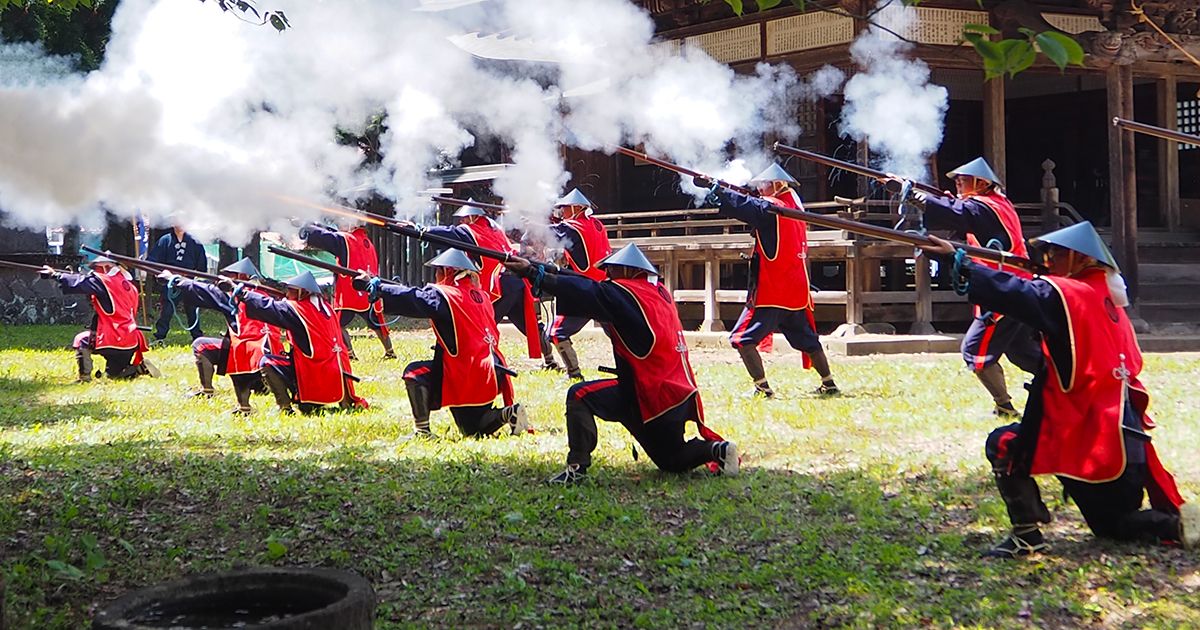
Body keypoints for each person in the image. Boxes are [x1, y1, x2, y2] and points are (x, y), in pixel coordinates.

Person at [920, 222, 1199, 557]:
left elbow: (1018, 293)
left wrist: (959, 262)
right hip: (1124, 444)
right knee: (1114, 526)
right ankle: (1176, 526)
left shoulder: (1069, 294)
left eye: (1056, 254)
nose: (1048, 260)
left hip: (1087, 438)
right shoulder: (1105, 296)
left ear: (1081, 258)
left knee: (1003, 443)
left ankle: (1026, 535)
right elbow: (1031, 292)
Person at [505, 243, 739, 484]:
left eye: (612, 270)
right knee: (671, 460)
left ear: (628, 271)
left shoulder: (623, 294)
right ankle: (717, 450)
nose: (608, 274)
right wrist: (542, 270)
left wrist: (532, 273)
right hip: (677, 395)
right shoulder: (657, 292)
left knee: (579, 395)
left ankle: (576, 469)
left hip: (646, 393)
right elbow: (588, 285)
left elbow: (586, 290)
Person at [913, 158, 1042, 417]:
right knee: (1021, 351)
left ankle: (1004, 407)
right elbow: (960, 215)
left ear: (982, 183)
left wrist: (918, 198)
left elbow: (960, 214)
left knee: (974, 350)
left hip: (1004, 291)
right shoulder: (992, 204)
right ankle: (1066, 385)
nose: (958, 184)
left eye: (964, 180)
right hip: (1010, 287)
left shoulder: (985, 207)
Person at [355, 249, 528, 438]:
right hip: (492, 369)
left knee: (414, 373)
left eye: (438, 271)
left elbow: (415, 298)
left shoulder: (447, 294)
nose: (435, 276)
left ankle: (422, 431)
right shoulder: (481, 295)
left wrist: (374, 286)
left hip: (467, 371)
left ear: (448, 271)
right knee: (473, 430)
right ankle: (509, 413)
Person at [699, 164, 838, 398]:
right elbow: (751, 204)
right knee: (807, 340)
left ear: (775, 185)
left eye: (763, 185)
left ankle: (762, 388)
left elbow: (748, 206)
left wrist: (717, 189)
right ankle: (829, 382)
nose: (759, 190)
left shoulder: (772, 207)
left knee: (741, 339)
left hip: (772, 290)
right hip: (795, 290)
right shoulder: (794, 208)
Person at [421, 201, 549, 369]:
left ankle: (484, 361)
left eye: (465, 218)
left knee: (481, 324)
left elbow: (451, 233)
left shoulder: (471, 231)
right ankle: (550, 359)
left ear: (473, 217)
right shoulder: (495, 229)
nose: (462, 221)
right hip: (516, 283)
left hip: (500, 286)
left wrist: (424, 230)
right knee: (528, 325)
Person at [158, 258, 281, 414]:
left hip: (249, 354)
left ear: (241, 276)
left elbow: (204, 290)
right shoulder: (266, 296)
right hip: (272, 359)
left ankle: (227, 399)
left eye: (231, 275)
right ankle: (261, 389)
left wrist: (174, 279)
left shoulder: (233, 296)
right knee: (232, 346)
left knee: (202, 345)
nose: (227, 278)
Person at [232, 271, 366, 414]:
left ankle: (285, 407)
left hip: (314, 374)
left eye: (291, 290)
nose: (287, 293)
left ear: (302, 292)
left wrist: (244, 295)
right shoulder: (325, 307)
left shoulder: (300, 310)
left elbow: (270, 307)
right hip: (333, 370)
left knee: (267, 362)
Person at [44, 256, 158, 381]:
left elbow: (81, 283)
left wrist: (55, 275)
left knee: (81, 340)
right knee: (114, 376)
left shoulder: (106, 282)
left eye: (96, 268)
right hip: (131, 340)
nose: (94, 271)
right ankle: (140, 368)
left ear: (106, 267)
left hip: (114, 337)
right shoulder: (129, 286)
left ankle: (84, 377)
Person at [298, 219, 395, 360]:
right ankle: (390, 351)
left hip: (350, 290)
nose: (340, 225)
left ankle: (349, 354)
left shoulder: (346, 240)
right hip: (368, 290)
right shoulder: (367, 242)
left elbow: (326, 237)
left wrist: (308, 227)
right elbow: (332, 234)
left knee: (337, 324)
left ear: (352, 225)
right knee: (376, 323)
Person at [545, 188, 613, 380]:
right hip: (604, 286)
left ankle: (574, 374)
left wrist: (533, 223)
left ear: (576, 208)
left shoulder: (573, 227)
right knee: (619, 334)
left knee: (557, 332)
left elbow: (549, 234)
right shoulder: (597, 224)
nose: (563, 212)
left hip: (585, 288)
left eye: (566, 208)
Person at [147, 225, 207, 343]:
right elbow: (152, 260)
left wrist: (196, 278)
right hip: (170, 282)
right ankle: (160, 337)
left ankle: (197, 337)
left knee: (192, 310)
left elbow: (201, 266)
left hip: (189, 281)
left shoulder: (195, 241)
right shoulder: (165, 240)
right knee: (167, 310)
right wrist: (162, 273)